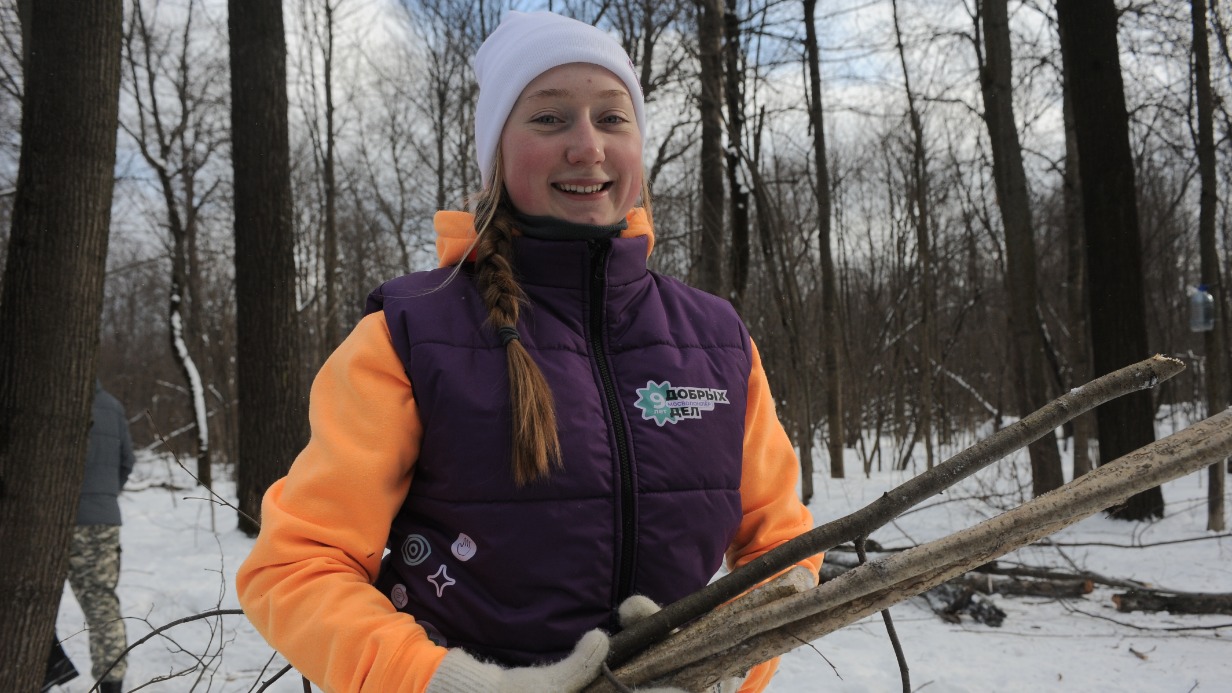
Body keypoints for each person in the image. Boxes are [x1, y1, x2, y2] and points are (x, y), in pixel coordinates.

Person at [237, 11, 821, 693]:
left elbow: (783, 545)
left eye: (611, 118)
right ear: (497, 154)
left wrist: (729, 658)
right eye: (549, 119)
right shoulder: (409, 334)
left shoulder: (717, 339)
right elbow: (296, 565)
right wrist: (449, 684)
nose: (587, 146)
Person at [47, 380, 135, 693]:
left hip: (49, 520)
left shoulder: (43, 399)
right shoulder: (112, 405)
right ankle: (112, 685)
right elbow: (127, 461)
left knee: (36, 598)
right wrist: (104, 497)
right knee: (102, 606)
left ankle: (45, 669)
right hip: (102, 521)